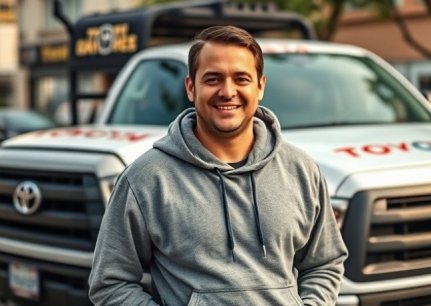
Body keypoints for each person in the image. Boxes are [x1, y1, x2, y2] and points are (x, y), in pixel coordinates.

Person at [88, 26, 348, 305]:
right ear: (191, 87)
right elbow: (110, 283)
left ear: (260, 86)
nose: (227, 91)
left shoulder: (301, 170)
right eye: (213, 79)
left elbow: (325, 263)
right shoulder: (146, 178)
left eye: (241, 79)